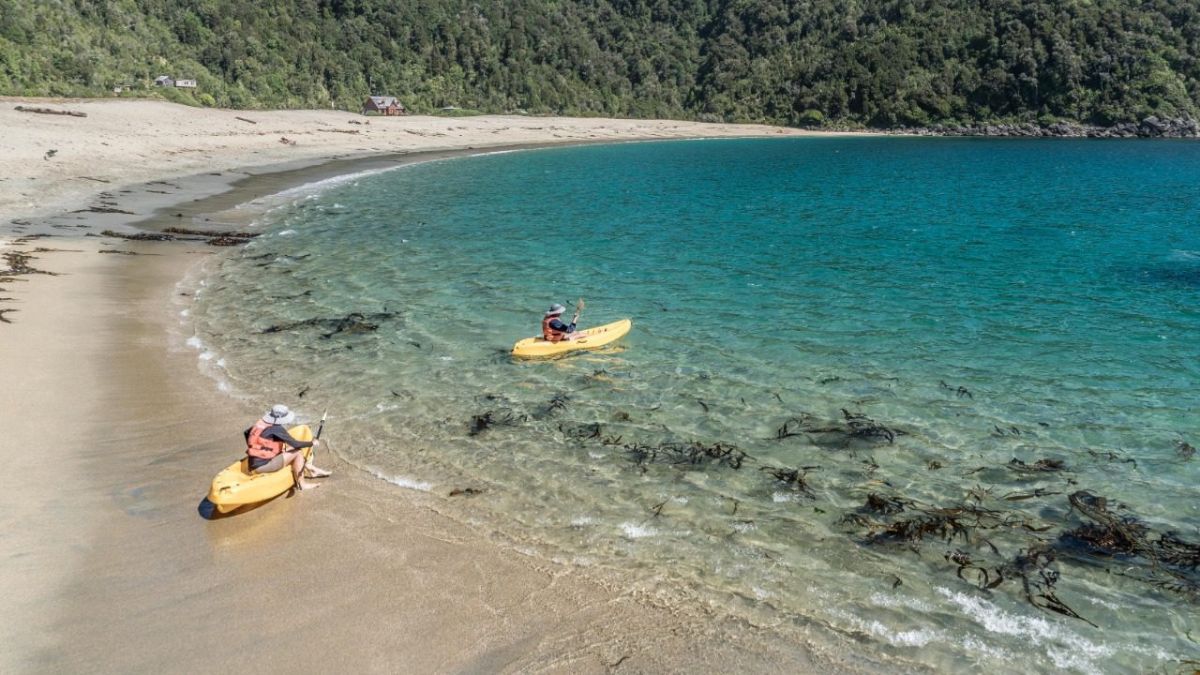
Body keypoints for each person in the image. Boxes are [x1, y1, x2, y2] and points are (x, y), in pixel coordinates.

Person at [245, 404, 331, 491]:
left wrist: (259, 450)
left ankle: (311, 469)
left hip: (253, 463)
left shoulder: (260, 424)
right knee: (297, 452)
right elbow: (296, 444)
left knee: (288, 448)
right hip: (261, 467)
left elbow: (247, 433)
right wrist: (312, 443)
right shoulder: (276, 429)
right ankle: (302, 485)